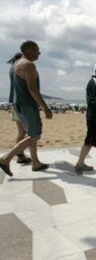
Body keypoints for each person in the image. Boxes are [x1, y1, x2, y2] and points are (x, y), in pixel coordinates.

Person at [0, 41, 53, 176]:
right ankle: (6, 159)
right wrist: (45, 108)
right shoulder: (28, 65)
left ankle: (34, 162)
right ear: (29, 50)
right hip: (27, 105)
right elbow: (33, 90)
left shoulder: (15, 64)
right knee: (35, 134)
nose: (39, 53)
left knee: (27, 134)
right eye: (37, 50)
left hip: (16, 104)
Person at [7, 52, 31, 164]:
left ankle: (20, 155)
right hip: (22, 103)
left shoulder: (12, 68)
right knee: (32, 132)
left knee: (21, 132)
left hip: (13, 103)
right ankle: (14, 155)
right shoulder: (20, 67)